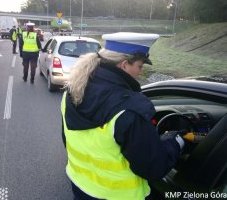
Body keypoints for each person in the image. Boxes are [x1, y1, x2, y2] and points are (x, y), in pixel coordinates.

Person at [61, 32, 185, 200]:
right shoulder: (130, 109)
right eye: (140, 66)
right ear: (124, 65)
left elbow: (67, 139)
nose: (140, 73)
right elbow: (154, 167)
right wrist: (175, 142)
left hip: (80, 186)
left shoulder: (72, 91)